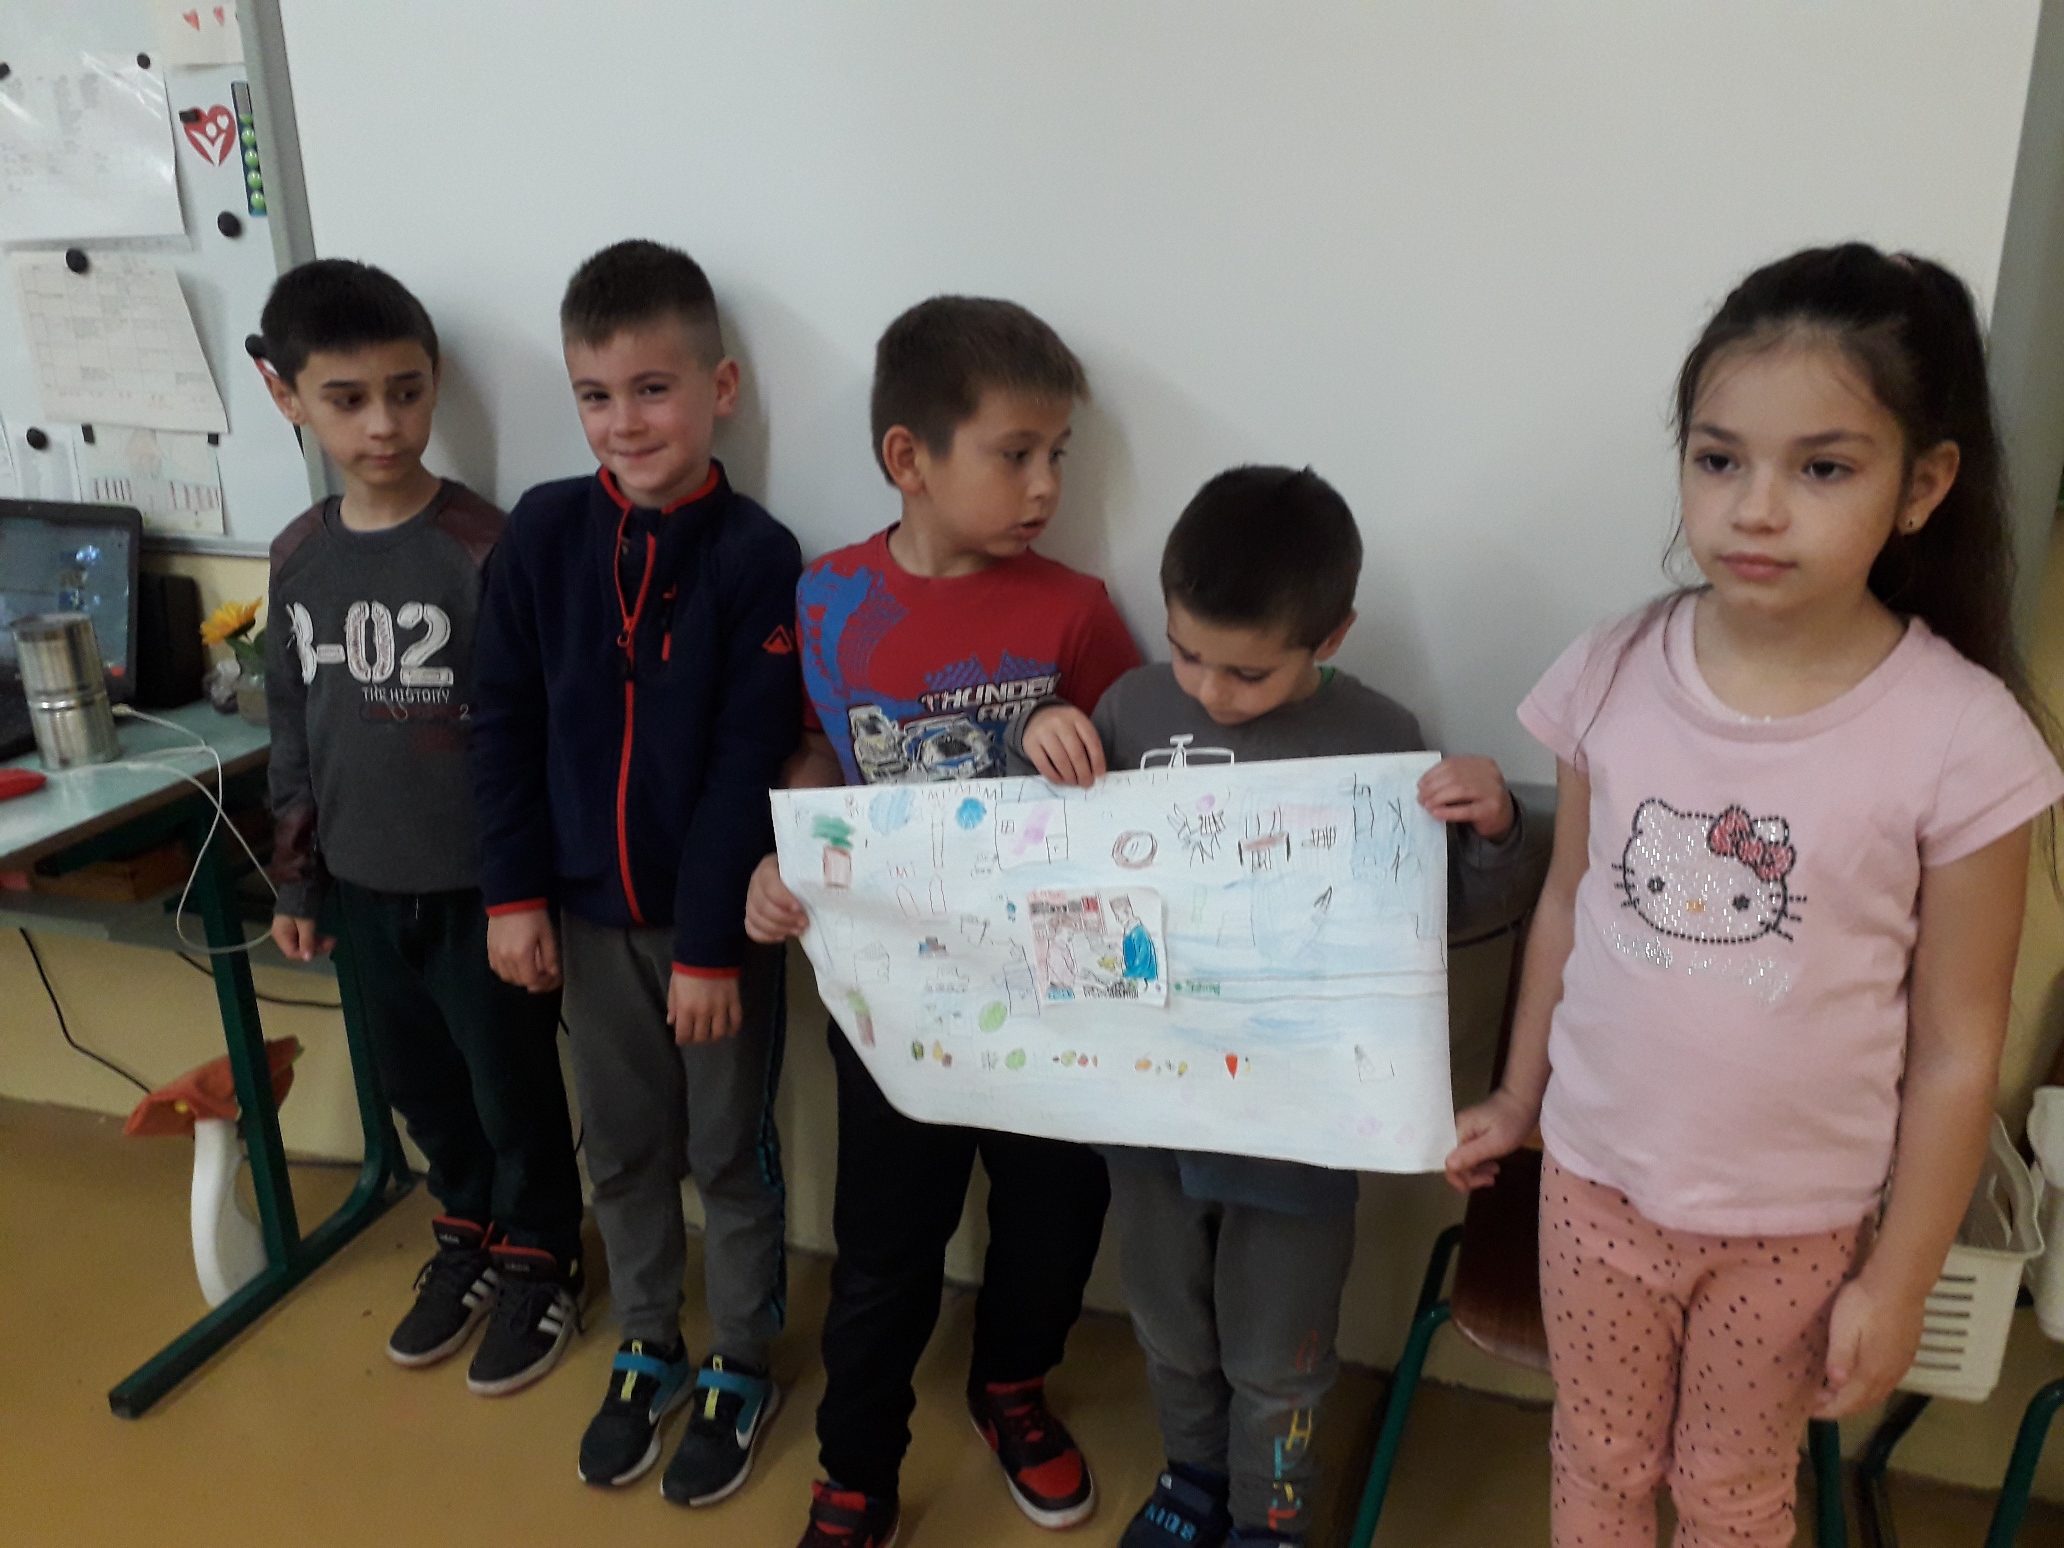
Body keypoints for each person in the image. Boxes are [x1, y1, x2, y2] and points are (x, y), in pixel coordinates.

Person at [1446, 243, 2064, 1548]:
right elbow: (1567, 906)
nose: (1755, 509)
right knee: (1598, 1462)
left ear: (1922, 486)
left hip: (1794, 1230)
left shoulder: (1963, 740)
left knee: (1733, 1498)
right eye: (1719, 459)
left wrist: (1901, 1280)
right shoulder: (1613, 669)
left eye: (1822, 468)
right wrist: (1515, 1099)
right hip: (1592, 1188)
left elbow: (1959, 1047)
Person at [1012, 465, 1531, 1548]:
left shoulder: (1382, 735)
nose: (1209, 690)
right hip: (1151, 1116)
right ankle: (1194, 1482)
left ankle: (1272, 1517)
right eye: (1187, 651)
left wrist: (1491, 831)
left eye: (1248, 672)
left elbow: (1433, 919)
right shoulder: (1132, 707)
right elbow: (1061, 870)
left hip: (1299, 1128)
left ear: (1329, 637)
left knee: (1280, 1355)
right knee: (1169, 1331)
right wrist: (1042, 736)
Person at [745, 295, 1142, 1548]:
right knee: (883, 1246)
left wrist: (1066, 735)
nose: (1046, 485)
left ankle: (1011, 1384)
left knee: (1055, 1216)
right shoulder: (826, 598)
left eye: (1057, 454)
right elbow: (815, 755)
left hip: (1049, 991)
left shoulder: (1074, 609)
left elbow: (1140, 779)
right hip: (894, 997)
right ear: (908, 458)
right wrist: (786, 853)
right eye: (1015, 454)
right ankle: (855, 1467)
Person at [469, 240, 802, 1506]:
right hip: (582, 918)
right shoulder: (544, 532)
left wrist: (712, 945)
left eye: (653, 389)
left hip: (714, 934)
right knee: (620, 1145)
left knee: (728, 1151)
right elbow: (501, 723)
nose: (625, 422)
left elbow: (746, 767)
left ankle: (742, 1357)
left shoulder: (758, 556)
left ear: (721, 388)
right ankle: (650, 1339)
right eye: (596, 396)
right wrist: (513, 894)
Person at [258, 259, 585, 1396]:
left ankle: (542, 1254)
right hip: (361, 886)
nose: (384, 424)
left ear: (436, 382)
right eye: (346, 399)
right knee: (421, 1087)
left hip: (482, 893)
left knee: (511, 1089)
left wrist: (526, 892)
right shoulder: (297, 557)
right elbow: (292, 724)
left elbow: (537, 737)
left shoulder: (488, 547)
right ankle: (469, 1232)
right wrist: (297, 881)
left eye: (407, 392)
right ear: (287, 397)